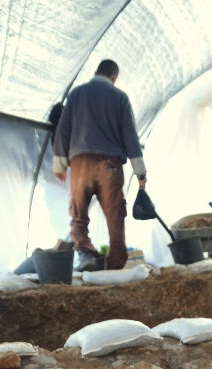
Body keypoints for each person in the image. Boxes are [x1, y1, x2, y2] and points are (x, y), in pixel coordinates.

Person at [53, 59, 146, 271]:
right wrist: (140, 171)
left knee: (79, 214)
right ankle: (114, 267)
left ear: (96, 72)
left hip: (80, 164)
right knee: (115, 218)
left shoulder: (76, 94)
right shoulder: (120, 97)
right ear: (114, 77)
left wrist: (59, 164)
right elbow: (130, 137)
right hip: (109, 166)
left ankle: (86, 255)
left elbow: (63, 129)